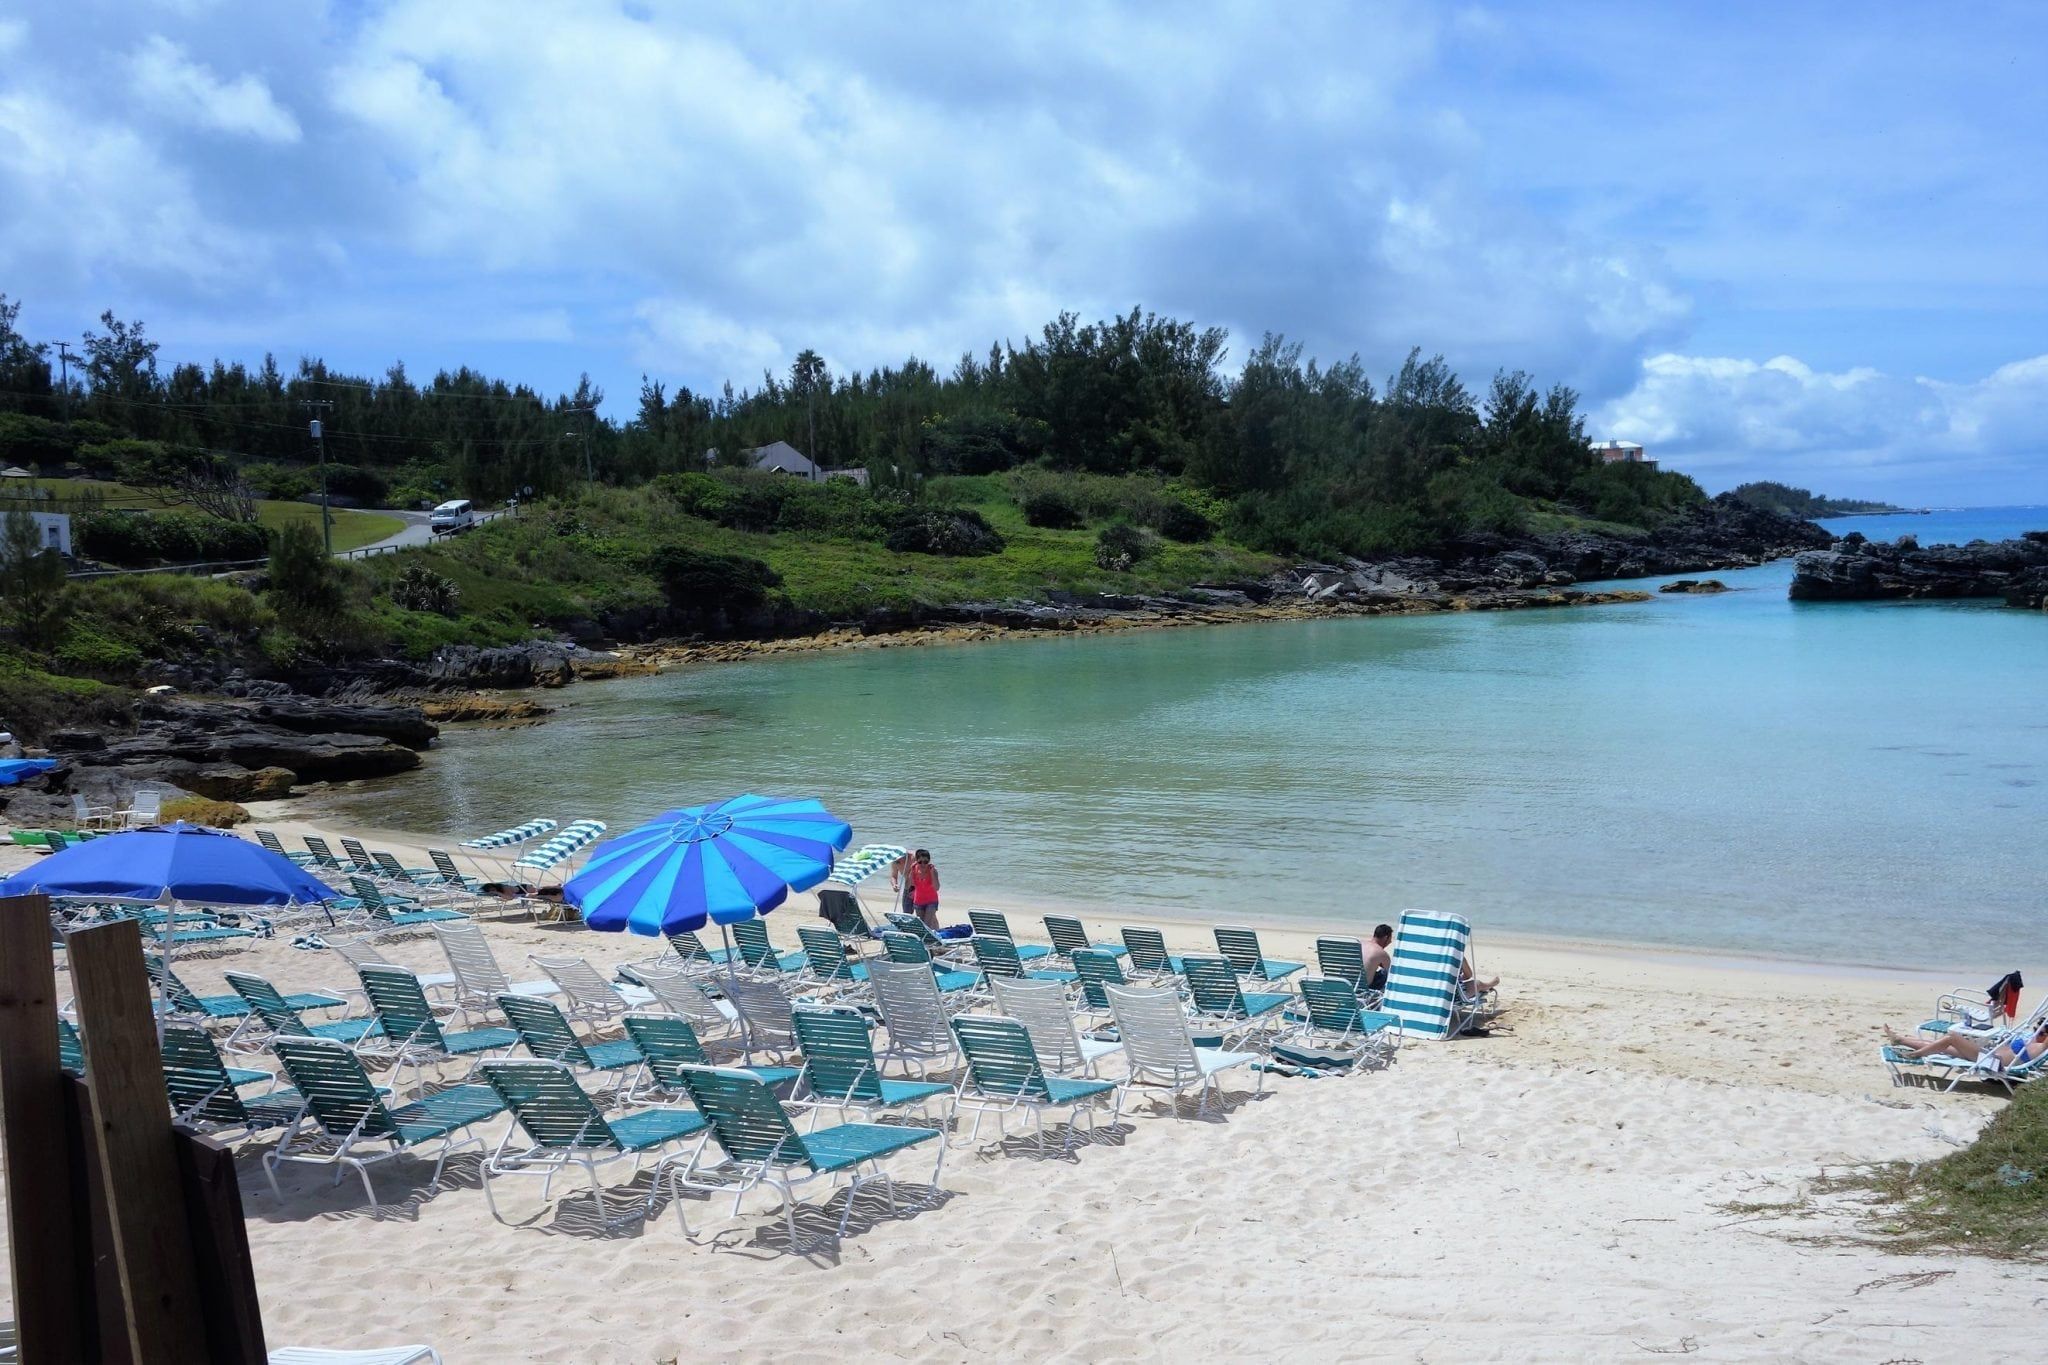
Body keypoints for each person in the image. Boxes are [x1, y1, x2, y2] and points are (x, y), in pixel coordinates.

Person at [1887, 1018, 2048, 1071]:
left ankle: (1916, 1055)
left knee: (1952, 1037)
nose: (2036, 1033)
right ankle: (1900, 1040)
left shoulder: (2039, 1047)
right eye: (2036, 1029)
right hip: (1988, 1054)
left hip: (1990, 1061)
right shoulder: (2034, 1041)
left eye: (2040, 1032)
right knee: (1943, 1046)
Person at [906, 848, 941, 931]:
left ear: (929, 861)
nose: (923, 864)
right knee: (922, 925)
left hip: (931, 901)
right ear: (916, 861)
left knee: (927, 924)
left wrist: (932, 873)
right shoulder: (914, 870)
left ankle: (928, 941)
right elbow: (909, 885)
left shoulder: (933, 871)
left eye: (925, 862)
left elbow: (937, 887)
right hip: (918, 901)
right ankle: (936, 933)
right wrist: (911, 871)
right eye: (920, 862)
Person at [1362, 923, 1394, 995]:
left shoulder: (1359, 944)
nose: (1390, 942)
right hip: (1364, 986)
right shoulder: (1381, 953)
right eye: (1390, 939)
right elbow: (1391, 973)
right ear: (1386, 938)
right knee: (1386, 973)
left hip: (1346, 982)